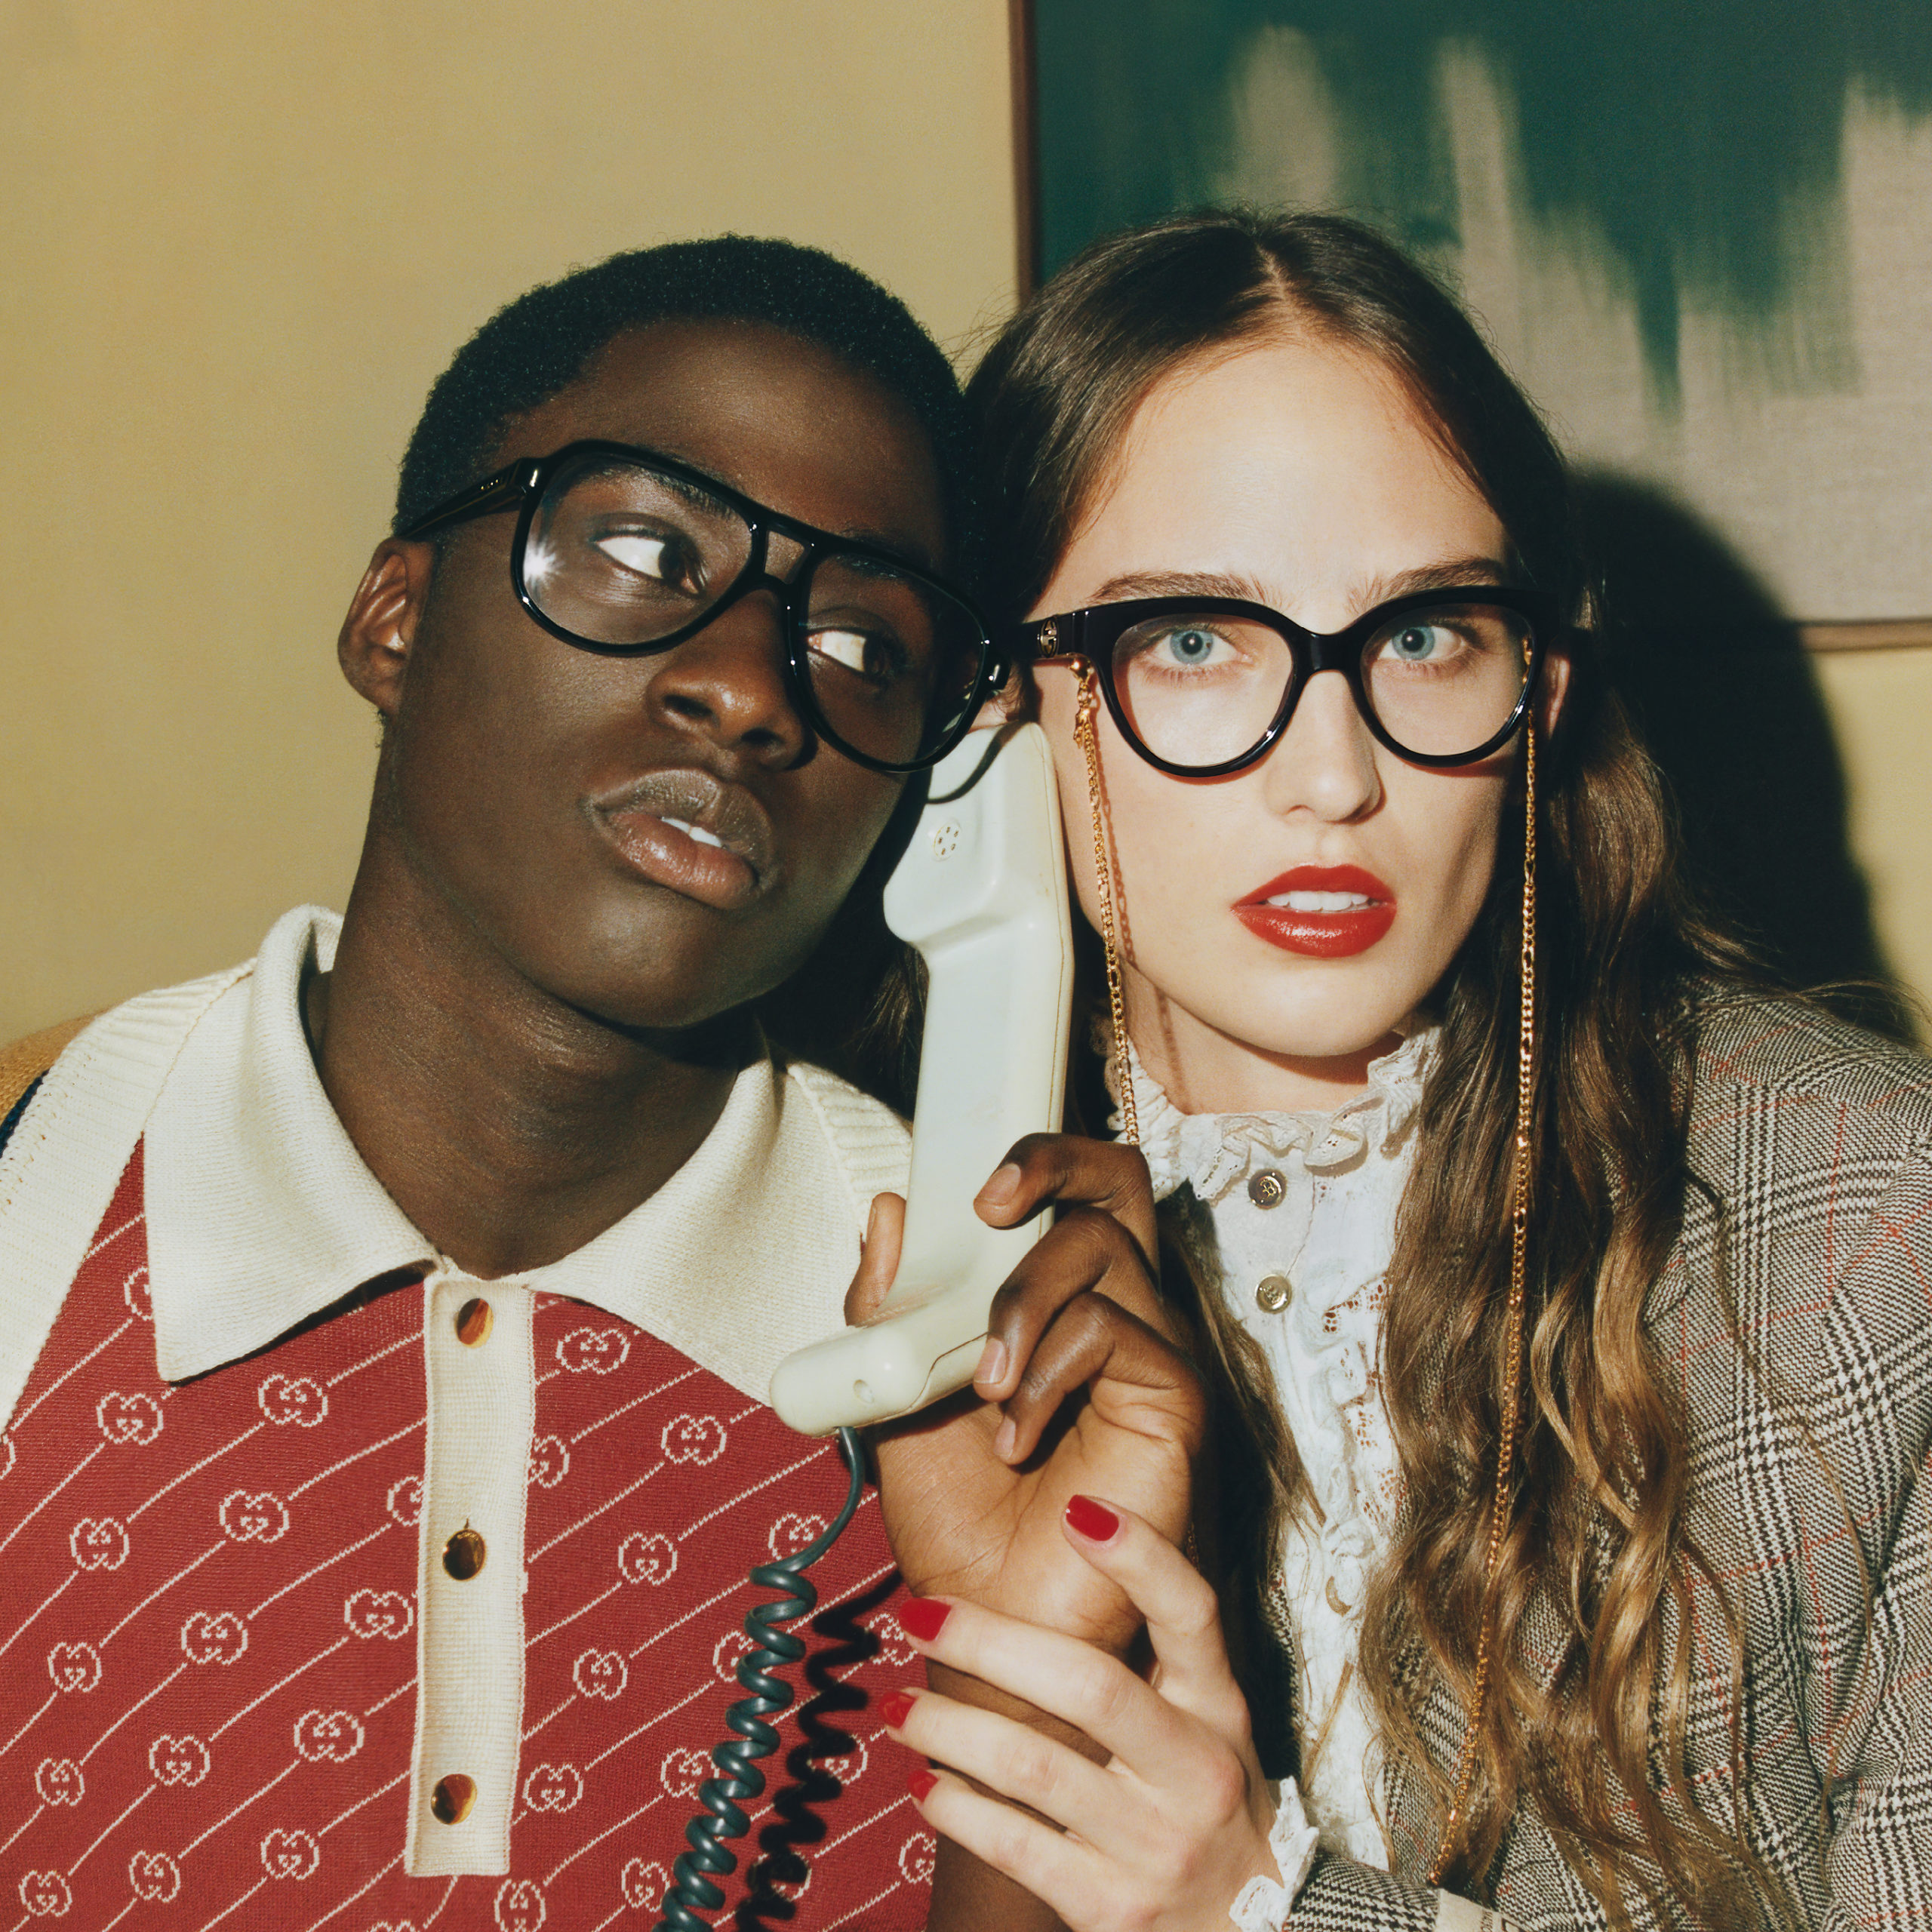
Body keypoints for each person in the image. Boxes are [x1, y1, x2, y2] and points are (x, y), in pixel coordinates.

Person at [864, 211, 1932, 1930]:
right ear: (992, 716)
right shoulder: (839, 1245)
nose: (1333, 773)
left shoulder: (1859, 1219)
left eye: (1427, 634)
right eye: (1190, 638)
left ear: (1540, 691)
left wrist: (1261, 1908)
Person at [0, 235, 1057, 1931]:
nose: (750, 689)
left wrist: (1036, 1647)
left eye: (866, 646)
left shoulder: (976, 1352)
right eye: (642, 550)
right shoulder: (33, 1193)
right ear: (395, 616)